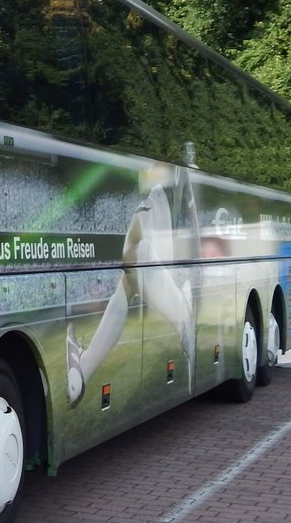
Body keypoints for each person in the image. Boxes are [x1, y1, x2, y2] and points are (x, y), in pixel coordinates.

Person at [66, 159, 199, 406]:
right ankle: (83, 368)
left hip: (162, 212)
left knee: (136, 257)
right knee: (130, 274)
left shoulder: (160, 191)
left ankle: (183, 318)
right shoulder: (164, 192)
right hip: (164, 215)